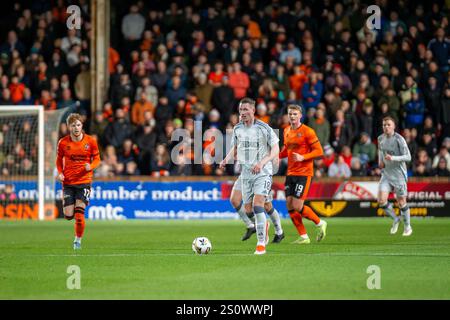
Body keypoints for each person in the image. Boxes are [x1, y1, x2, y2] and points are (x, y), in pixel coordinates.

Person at [220, 97, 279, 255]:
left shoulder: (263, 128)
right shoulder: (238, 128)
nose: (243, 113)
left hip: (263, 172)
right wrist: (226, 159)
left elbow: (275, 149)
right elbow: (235, 147)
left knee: (258, 204)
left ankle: (261, 244)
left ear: (253, 110)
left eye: (246, 109)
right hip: (246, 174)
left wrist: (262, 162)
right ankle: (263, 225)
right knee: (247, 209)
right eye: (241, 110)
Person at [279, 104, 327, 244]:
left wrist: (303, 157)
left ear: (300, 115)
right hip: (291, 173)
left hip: (304, 173)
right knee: (289, 204)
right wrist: (274, 156)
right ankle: (304, 236)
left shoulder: (308, 131)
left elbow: (319, 151)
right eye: (290, 114)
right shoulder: (286, 130)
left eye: (295, 114)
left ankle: (320, 223)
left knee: (298, 206)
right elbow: (286, 151)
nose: (292, 116)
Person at [56, 113, 101, 249]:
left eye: (78, 125)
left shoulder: (90, 141)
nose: (76, 127)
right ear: (69, 127)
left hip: (84, 181)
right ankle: (75, 227)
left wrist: (91, 166)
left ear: (82, 126)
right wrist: (60, 173)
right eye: (73, 125)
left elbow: (97, 159)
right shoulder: (63, 142)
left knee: (79, 214)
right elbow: (59, 160)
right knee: (69, 216)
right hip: (68, 182)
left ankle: (78, 240)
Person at [377, 116, 412, 236]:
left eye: (388, 125)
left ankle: (407, 226)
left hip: (399, 175)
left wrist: (393, 158)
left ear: (394, 126)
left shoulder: (399, 139)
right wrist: (380, 161)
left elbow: (408, 157)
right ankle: (396, 219)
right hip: (386, 174)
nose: (386, 127)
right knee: (381, 201)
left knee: (402, 202)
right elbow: (380, 151)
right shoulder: (380, 138)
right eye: (384, 125)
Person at [229, 175, 284, 243]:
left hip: (261, 176)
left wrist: (262, 165)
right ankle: (251, 225)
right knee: (235, 200)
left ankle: (279, 232)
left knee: (267, 206)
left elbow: (275, 165)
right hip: (245, 175)